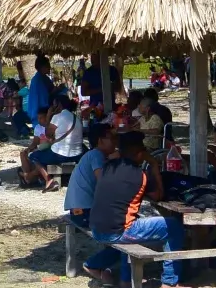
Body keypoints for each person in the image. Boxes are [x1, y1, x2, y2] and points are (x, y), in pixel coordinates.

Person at [83, 131, 183, 288]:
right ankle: (170, 281)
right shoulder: (140, 175)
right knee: (174, 225)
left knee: (128, 221)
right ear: (139, 153)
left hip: (96, 227)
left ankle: (125, 280)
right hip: (119, 232)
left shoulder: (108, 167)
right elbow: (158, 195)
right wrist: (155, 165)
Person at [21, 94, 84, 191]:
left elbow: (48, 134)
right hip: (77, 155)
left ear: (58, 105)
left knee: (33, 155)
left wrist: (49, 115)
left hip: (61, 155)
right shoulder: (76, 117)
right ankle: (32, 176)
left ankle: (48, 179)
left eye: (53, 105)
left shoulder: (58, 117)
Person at [64, 124, 116, 228]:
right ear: (100, 141)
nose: (115, 141)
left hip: (78, 211)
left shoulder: (92, 155)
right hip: (84, 212)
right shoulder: (96, 155)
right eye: (112, 138)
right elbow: (103, 181)